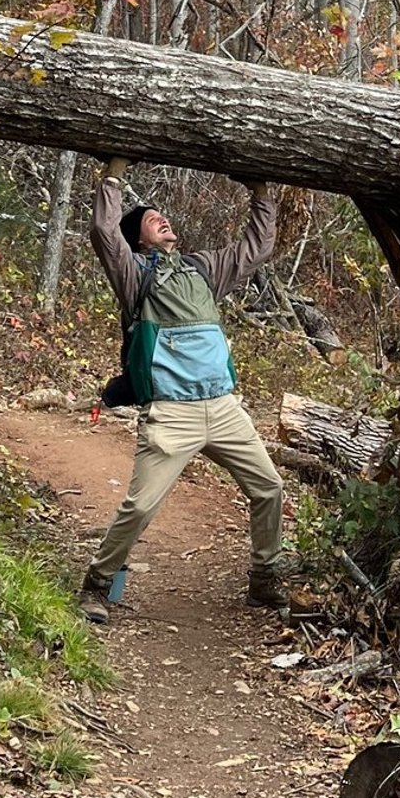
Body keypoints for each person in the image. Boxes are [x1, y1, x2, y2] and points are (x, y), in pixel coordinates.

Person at [80, 161, 291, 620]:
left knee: (270, 488)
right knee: (141, 506)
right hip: (172, 413)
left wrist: (261, 191)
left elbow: (256, 248)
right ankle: (96, 584)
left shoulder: (203, 268)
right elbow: (103, 231)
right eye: (149, 219)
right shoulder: (134, 274)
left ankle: (264, 579)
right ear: (137, 240)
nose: (160, 218)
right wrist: (113, 175)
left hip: (224, 407)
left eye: (162, 214)